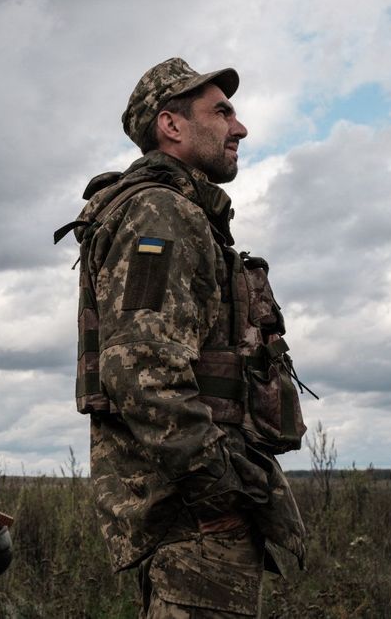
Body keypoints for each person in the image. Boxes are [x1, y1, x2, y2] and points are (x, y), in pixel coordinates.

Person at [56, 58, 309, 617]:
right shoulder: (160, 212)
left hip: (192, 510)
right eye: (221, 112)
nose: (238, 128)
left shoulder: (182, 212)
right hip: (195, 516)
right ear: (171, 125)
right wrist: (222, 487)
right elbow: (141, 371)